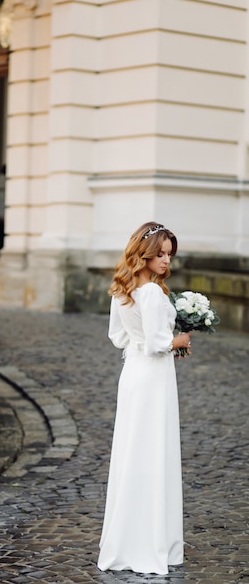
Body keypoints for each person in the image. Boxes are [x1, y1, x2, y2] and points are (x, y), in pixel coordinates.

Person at [98, 221, 191, 576]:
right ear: (145, 253)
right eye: (160, 254)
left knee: (133, 451)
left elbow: (118, 336)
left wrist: (148, 341)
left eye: (169, 254)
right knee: (153, 451)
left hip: (133, 374)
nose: (166, 260)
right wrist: (178, 341)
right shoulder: (151, 292)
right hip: (152, 377)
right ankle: (152, 544)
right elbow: (157, 342)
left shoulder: (122, 288)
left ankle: (127, 541)